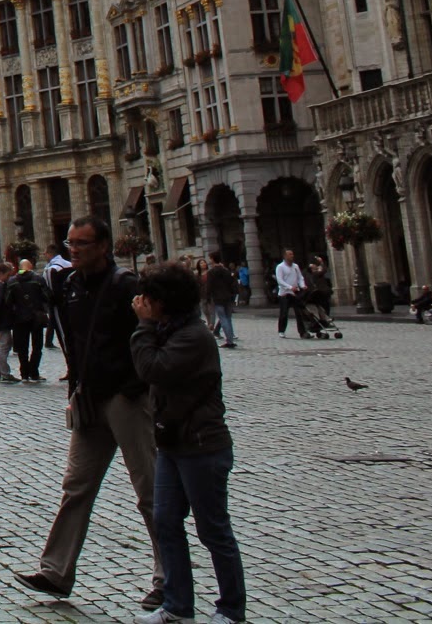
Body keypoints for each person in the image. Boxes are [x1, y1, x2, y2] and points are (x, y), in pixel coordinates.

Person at [17, 216, 166, 612]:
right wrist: (75, 387)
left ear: (104, 246)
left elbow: (150, 333)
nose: (75, 250)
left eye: (82, 243)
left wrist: (136, 386)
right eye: (70, 244)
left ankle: (167, 577)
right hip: (89, 397)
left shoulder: (126, 286)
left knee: (148, 490)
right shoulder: (68, 287)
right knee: (76, 485)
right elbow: (72, 343)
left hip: (125, 397)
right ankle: (55, 570)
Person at [129, 263, 245, 624]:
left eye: (149, 296)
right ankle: (178, 606)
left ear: (165, 301)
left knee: (213, 529)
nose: (142, 302)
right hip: (173, 441)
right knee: (165, 521)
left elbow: (153, 369)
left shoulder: (193, 336)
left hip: (202, 444)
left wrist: (143, 327)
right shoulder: (171, 330)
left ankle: (231, 609)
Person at [3, 259, 50, 381]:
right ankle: (34, 371)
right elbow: (47, 296)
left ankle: (24, 373)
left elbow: (7, 301)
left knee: (22, 347)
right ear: (31, 267)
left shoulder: (12, 281)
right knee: (37, 346)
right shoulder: (38, 279)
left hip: (19, 317)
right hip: (36, 317)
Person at [204, 252, 239, 350]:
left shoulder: (211, 272)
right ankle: (230, 339)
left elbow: (209, 286)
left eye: (210, 258)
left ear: (212, 259)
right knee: (228, 318)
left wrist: (207, 298)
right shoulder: (226, 270)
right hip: (228, 297)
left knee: (223, 318)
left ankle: (229, 341)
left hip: (218, 298)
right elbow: (231, 283)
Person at [273, 250, 306, 336]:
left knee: (299, 312)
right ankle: (281, 330)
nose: (292, 256)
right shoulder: (280, 267)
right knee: (284, 313)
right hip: (284, 293)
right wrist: (290, 287)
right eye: (290, 254)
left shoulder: (295, 266)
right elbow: (280, 280)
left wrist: (302, 285)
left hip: (295, 293)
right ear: (285, 256)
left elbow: (300, 277)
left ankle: (302, 331)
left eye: (292, 254)